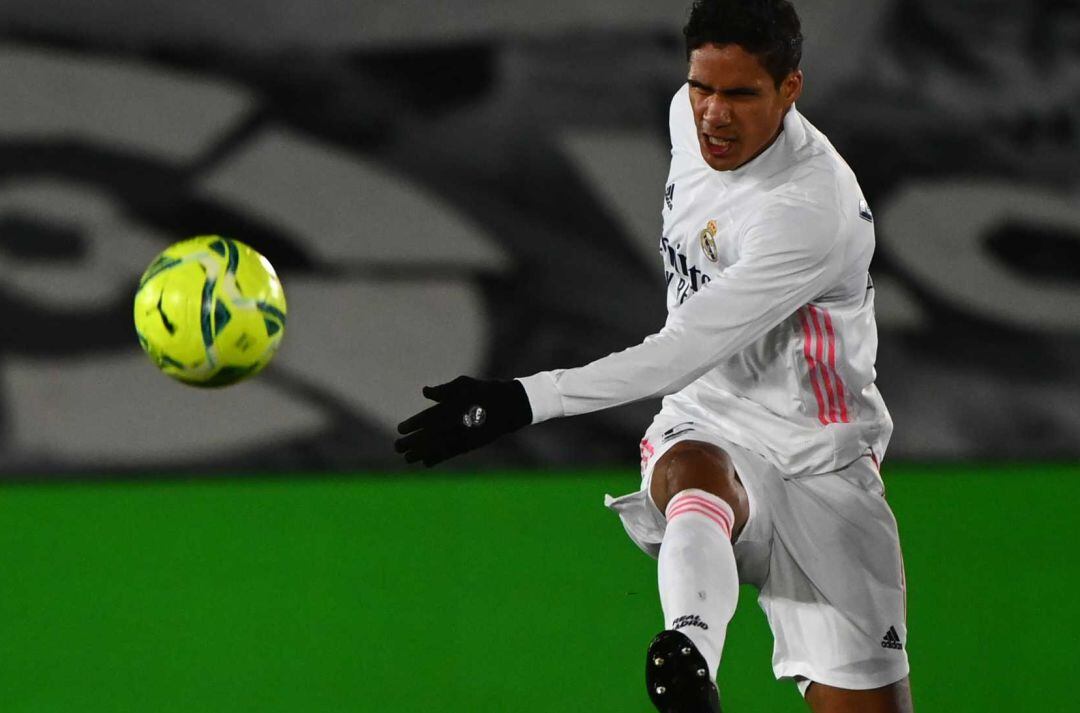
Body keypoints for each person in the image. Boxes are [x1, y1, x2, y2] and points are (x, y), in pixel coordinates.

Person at [395, 1, 913, 710]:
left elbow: (679, 350)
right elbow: (691, 370)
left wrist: (525, 397)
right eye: (703, 86)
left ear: (790, 89)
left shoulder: (808, 209)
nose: (713, 115)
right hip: (711, 417)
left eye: (740, 94)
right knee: (690, 467)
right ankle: (688, 657)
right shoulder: (684, 118)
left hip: (821, 466)